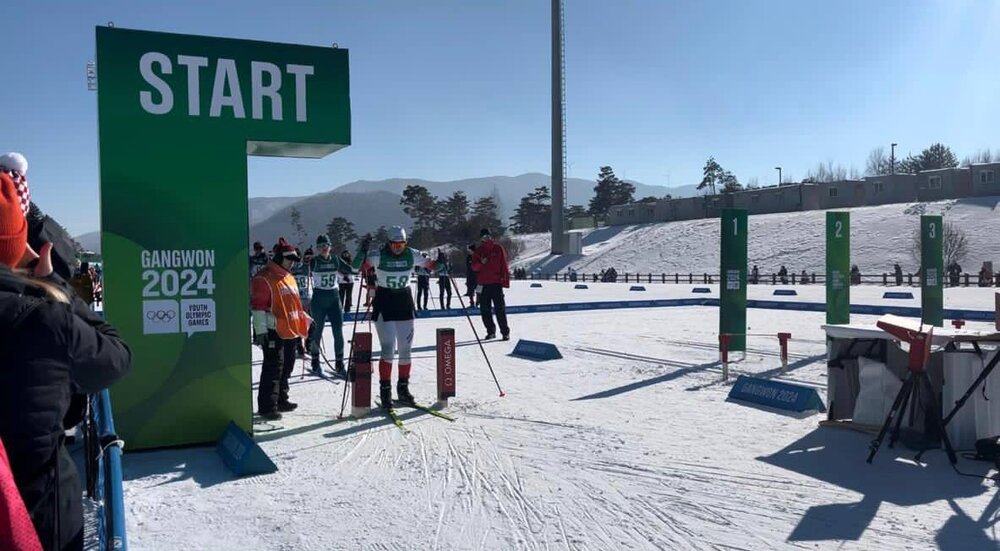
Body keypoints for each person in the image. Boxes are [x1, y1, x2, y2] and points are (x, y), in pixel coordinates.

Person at [0, 169, 132, 550]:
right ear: (17, 245)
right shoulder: (42, 319)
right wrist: (57, 289)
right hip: (38, 517)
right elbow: (115, 358)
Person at [353, 226, 438, 408]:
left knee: (406, 350)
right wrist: (362, 252)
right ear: (388, 243)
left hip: (405, 303)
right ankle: (385, 392)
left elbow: (432, 266)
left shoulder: (412, 254)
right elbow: (355, 267)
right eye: (395, 244)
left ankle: (403, 389)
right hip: (385, 302)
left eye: (401, 244)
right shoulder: (378, 255)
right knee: (388, 349)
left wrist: (441, 263)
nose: (398, 248)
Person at [251, 238, 309, 420]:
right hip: (272, 329)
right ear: (278, 258)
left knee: (288, 364)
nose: (292, 263)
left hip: (289, 329)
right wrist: (260, 331)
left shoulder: (288, 276)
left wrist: (304, 321)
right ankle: (267, 406)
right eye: (289, 259)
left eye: (294, 260)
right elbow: (258, 306)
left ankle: (282, 398)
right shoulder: (264, 278)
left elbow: (294, 304)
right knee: (273, 367)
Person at [308, 235, 353, 375]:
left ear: (330, 246)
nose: (323, 249)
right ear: (317, 248)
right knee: (317, 331)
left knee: (338, 331)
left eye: (326, 246)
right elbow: (303, 266)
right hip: (319, 299)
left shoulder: (335, 259)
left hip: (334, 298)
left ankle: (339, 363)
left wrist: (362, 254)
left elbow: (353, 269)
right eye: (320, 246)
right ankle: (315, 360)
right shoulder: (314, 261)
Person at [471, 228, 511, 340]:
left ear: (491, 236)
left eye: (487, 236)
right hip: (483, 284)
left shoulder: (498, 248)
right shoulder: (478, 251)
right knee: (485, 310)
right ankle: (490, 331)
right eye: (483, 237)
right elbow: (474, 267)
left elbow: (504, 264)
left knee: (500, 309)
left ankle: (505, 332)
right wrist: (480, 263)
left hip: (496, 283)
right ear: (481, 238)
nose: (486, 238)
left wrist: (505, 280)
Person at [290, 247, 313, 357]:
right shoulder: (289, 269)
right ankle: (299, 346)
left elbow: (311, 263)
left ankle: (309, 345)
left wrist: (309, 255)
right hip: (295, 300)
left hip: (307, 299)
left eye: (298, 256)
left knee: (311, 323)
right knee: (298, 324)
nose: (296, 260)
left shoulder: (305, 266)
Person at [465, 243, 478, 308]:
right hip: (470, 276)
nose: (469, 252)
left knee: (478, 290)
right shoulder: (468, 257)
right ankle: (472, 303)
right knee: (470, 290)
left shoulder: (477, 256)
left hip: (477, 276)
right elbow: (468, 266)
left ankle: (478, 302)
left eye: (470, 250)